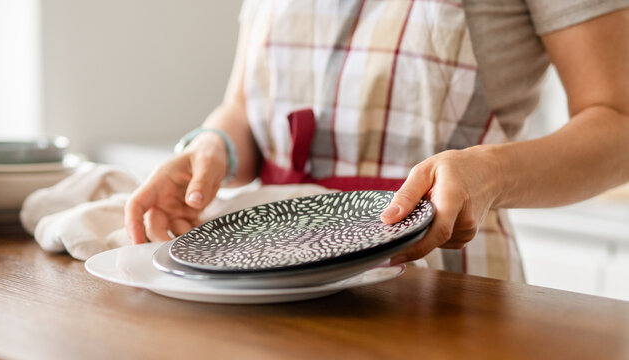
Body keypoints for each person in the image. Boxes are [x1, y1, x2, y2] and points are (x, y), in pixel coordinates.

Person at [125, 0, 629, 281]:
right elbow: (245, 106)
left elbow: (618, 124)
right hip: (265, 273)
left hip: (437, 274)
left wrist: (489, 173)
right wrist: (213, 146)